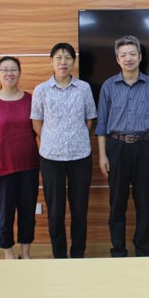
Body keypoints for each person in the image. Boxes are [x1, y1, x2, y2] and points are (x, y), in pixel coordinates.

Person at [96, 35, 149, 257]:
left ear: (140, 57)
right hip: (116, 147)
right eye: (123, 55)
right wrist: (102, 155)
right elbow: (102, 123)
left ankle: (143, 249)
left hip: (145, 148)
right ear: (117, 59)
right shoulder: (108, 86)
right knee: (117, 202)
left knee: (144, 202)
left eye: (132, 54)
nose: (128, 58)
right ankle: (118, 249)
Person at [31, 43, 97, 258]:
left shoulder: (84, 88)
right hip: (51, 157)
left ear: (73, 62)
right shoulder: (41, 90)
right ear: (51, 61)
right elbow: (37, 122)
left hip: (80, 156)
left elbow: (89, 119)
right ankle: (59, 256)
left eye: (68, 57)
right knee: (55, 211)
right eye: (58, 58)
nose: (63, 62)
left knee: (79, 210)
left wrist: (77, 137)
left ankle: (78, 255)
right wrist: (52, 139)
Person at [0, 56, 39, 260]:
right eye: (4, 70)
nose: (9, 73)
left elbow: (41, 130)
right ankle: (9, 255)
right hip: (1, 169)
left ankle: (25, 254)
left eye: (13, 69)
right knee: (4, 216)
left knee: (27, 214)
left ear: (20, 73)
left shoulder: (31, 100)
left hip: (29, 167)